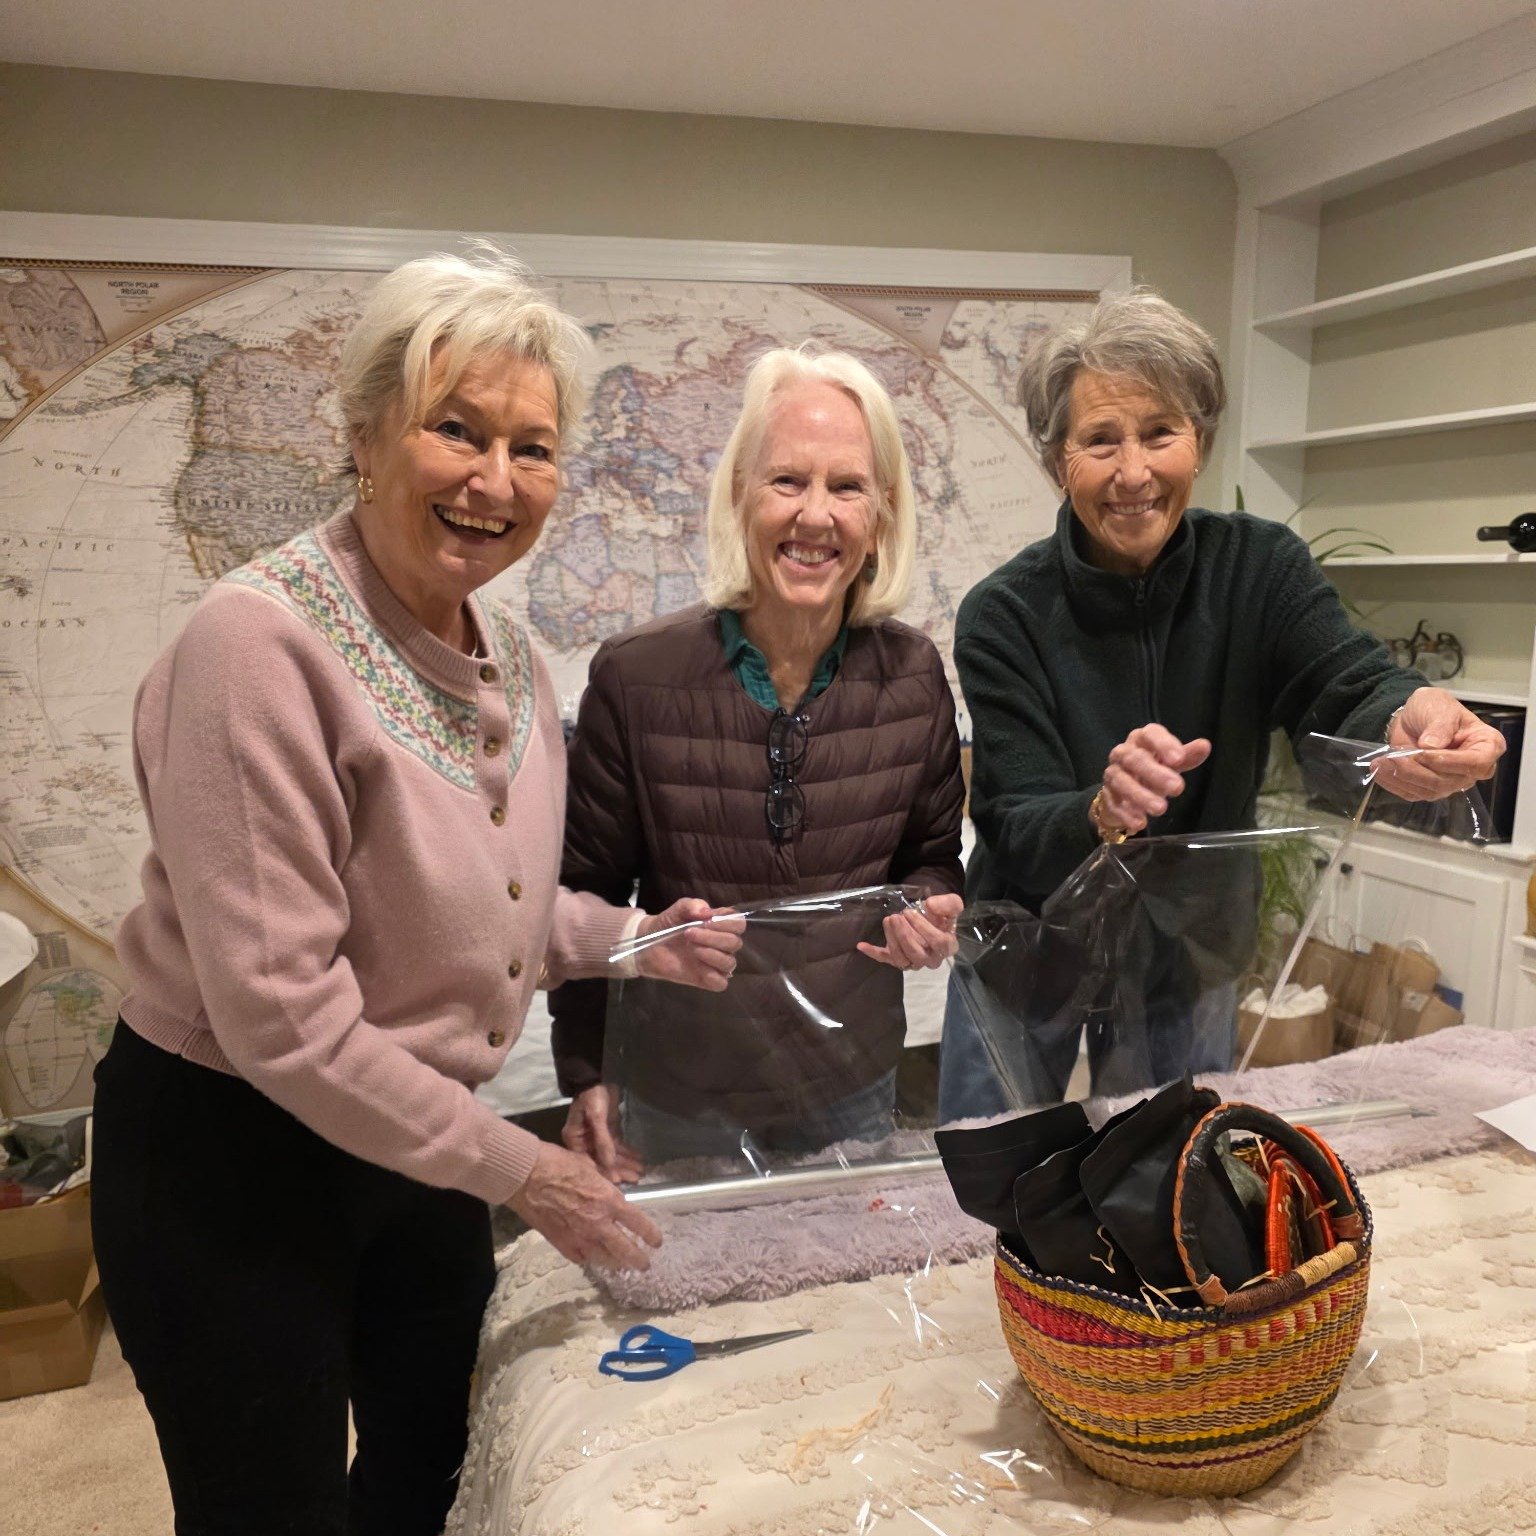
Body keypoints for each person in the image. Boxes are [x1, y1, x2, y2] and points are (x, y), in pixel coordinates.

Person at [90, 246, 740, 1536]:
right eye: (458, 430)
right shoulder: (255, 644)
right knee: (266, 1510)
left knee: (435, 1462)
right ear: (367, 433)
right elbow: (281, 1015)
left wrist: (623, 941)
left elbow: (468, 899)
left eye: (534, 448)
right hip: (232, 1153)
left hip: (410, 1134)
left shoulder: (509, 649)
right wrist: (525, 1173)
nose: (496, 481)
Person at [939, 287, 1505, 1121]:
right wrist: (1101, 808)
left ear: (1198, 441)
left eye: (1159, 433)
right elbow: (1015, 819)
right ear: (1059, 459)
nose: (1133, 473)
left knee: (1168, 1183)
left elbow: (1347, 679)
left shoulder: (1260, 567)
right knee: (985, 1176)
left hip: (1185, 961)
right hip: (1028, 955)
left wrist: (1408, 713)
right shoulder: (1004, 612)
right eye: (1101, 440)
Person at [552, 346, 967, 1176]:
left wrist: (929, 913)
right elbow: (588, 893)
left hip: (854, 1086)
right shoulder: (636, 677)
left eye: (847, 486)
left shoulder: (914, 675)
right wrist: (589, 1075)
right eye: (787, 481)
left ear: (881, 512)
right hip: (679, 1099)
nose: (816, 516)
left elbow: (930, 860)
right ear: (739, 493)